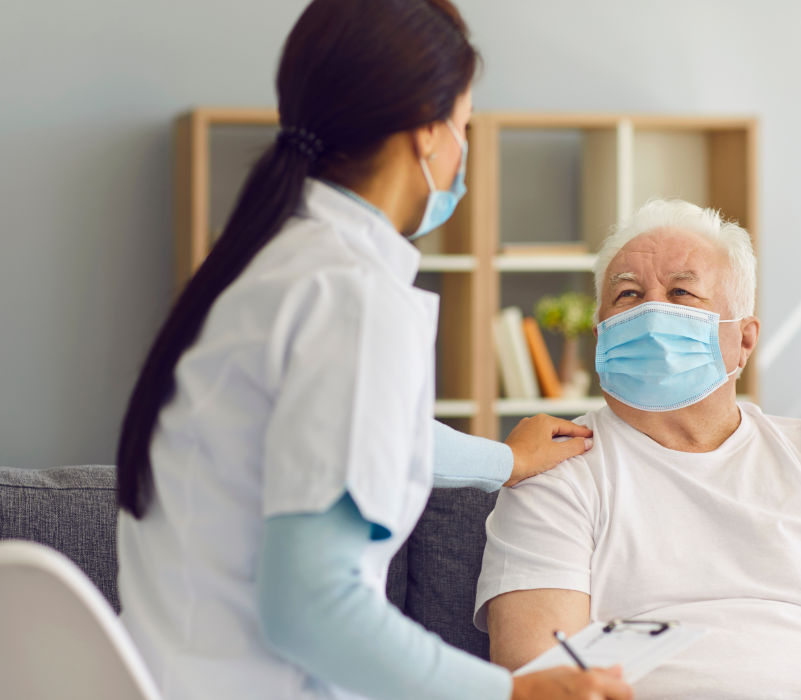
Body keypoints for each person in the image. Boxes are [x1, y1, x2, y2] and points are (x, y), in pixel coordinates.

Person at [114, 1, 632, 699]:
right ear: (428, 134)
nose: (464, 150)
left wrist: (505, 461)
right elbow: (313, 610)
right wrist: (512, 693)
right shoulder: (353, 298)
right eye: (466, 126)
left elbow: (351, 433)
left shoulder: (267, 267)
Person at [475, 199, 801, 699]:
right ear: (600, 334)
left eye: (681, 291)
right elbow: (541, 678)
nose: (652, 311)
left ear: (744, 341)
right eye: (627, 294)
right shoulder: (554, 468)